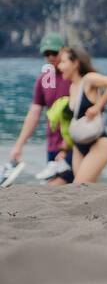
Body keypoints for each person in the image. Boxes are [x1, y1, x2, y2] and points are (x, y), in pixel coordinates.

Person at [3, 33, 73, 187]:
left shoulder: (74, 76)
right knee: (58, 187)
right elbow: (34, 114)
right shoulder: (43, 79)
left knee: (62, 184)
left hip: (73, 143)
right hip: (53, 144)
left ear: (64, 51)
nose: (50, 57)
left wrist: (68, 147)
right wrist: (18, 146)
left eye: (54, 53)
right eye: (46, 54)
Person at [57, 46, 107, 184]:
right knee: (85, 192)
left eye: (63, 62)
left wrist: (97, 107)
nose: (59, 66)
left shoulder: (88, 80)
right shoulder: (72, 87)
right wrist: (64, 149)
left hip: (97, 143)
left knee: (79, 186)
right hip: (78, 146)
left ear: (75, 63)